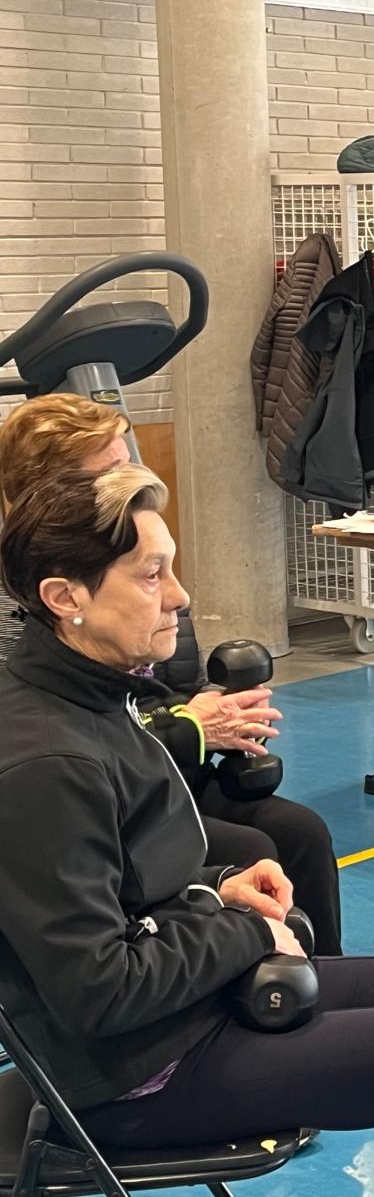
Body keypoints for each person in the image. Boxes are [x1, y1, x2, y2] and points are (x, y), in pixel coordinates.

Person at [0, 465, 374, 1197]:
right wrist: (245, 931)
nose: (180, 596)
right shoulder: (46, 761)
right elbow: (98, 990)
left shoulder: (94, 696)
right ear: (65, 599)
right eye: (153, 576)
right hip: (132, 1077)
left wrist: (221, 887)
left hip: (178, 1019)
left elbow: (125, 882)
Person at [0, 394, 343, 952]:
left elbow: (163, 688)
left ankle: (318, 984)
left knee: (300, 831)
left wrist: (217, 712)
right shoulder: (43, 607)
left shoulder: (138, 568)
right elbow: (65, 734)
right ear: (54, 499)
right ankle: (252, 986)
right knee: (258, 846)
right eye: (109, 473)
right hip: (96, 796)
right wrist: (190, 729)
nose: (129, 479)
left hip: (156, 770)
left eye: (127, 461)